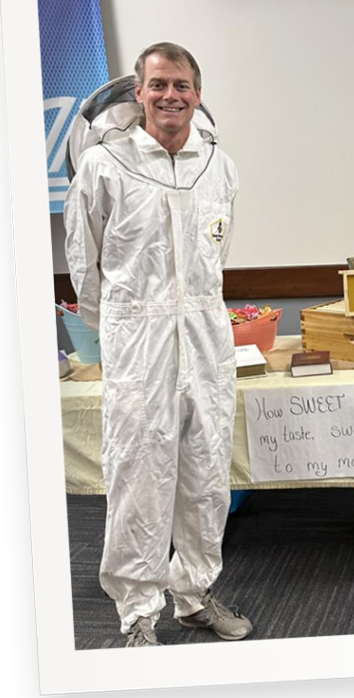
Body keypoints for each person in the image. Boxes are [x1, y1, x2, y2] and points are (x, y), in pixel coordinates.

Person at [64, 42, 253, 647]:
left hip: (204, 330)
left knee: (205, 472)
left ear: (198, 94)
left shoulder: (219, 164)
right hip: (136, 333)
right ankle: (137, 612)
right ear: (138, 93)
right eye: (158, 85)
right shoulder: (104, 164)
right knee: (138, 471)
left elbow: (217, 253)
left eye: (182, 85)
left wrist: (191, 311)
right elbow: (84, 265)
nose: (170, 96)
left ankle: (195, 595)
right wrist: (122, 326)